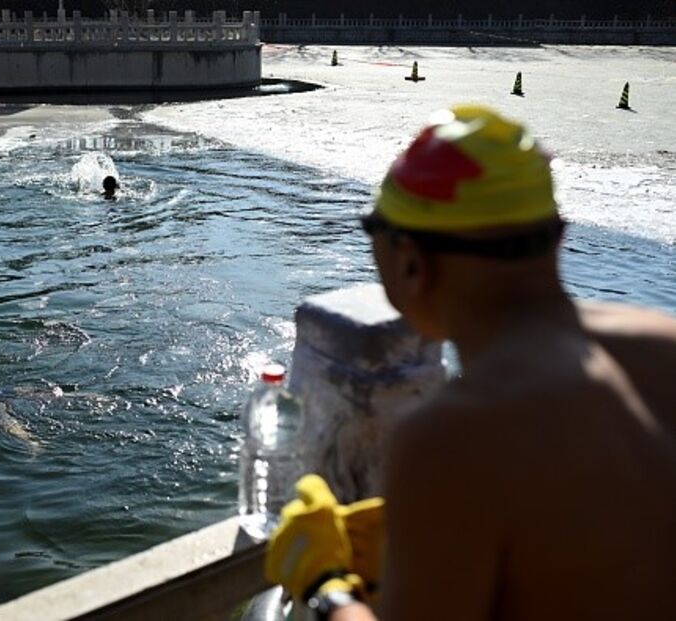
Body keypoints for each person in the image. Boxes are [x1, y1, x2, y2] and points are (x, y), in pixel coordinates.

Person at [265, 105, 676, 620]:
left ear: (411, 263)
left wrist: (324, 582)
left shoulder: (451, 437)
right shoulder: (663, 348)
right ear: (555, 236)